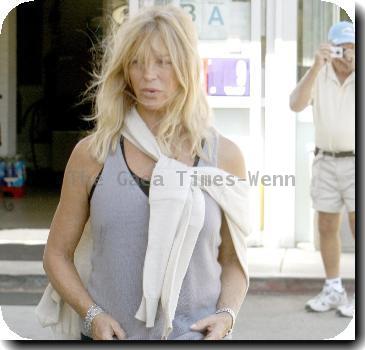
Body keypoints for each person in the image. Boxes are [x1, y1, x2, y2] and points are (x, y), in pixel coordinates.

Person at [41, 5, 249, 340]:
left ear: (186, 67)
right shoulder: (93, 155)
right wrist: (92, 315)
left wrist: (227, 315)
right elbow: (56, 254)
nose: (149, 74)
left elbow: (233, 261)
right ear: (124, 71)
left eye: (163, 62)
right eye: (137, 62)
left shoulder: (223, 157)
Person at [290, 21, 355, 318]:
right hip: (325, 161)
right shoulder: (320, 74)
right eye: (343, 48)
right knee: (326, 226)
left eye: (354, 48)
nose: (349, 55)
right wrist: (315, 67)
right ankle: (333, 289)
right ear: (331, 48)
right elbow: (295, 104)